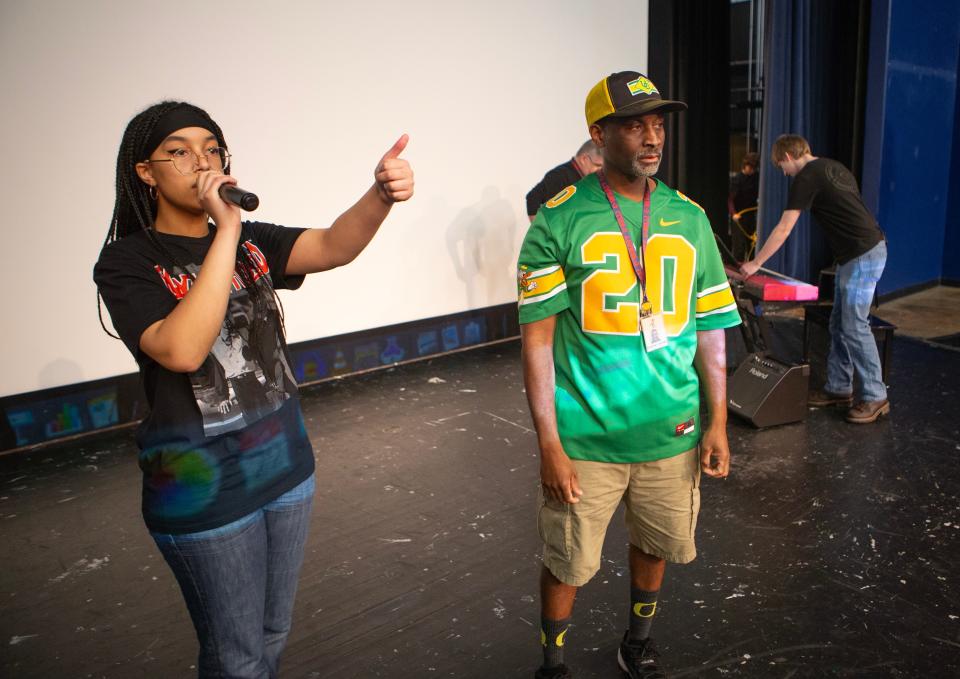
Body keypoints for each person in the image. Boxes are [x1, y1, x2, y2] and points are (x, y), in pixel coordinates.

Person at [93, 101, 413, 677]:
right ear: (147, 172)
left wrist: (381, 195)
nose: (202, 162)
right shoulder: (128, 263)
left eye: (212, 149)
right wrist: (228, 231)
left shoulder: (249, 240)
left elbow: (335, 245)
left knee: (272, 633)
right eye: (181, 152)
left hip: (286, 469)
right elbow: (183, 349)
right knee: (235, 658)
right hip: (204, 491)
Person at [517, 71, 741, 679]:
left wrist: (718, 420)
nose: (652, 138)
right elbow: (535, 341)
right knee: (566, 561)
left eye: (658, 124)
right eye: (635, 124)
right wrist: (549, 444)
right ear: (599, 132)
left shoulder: (689, 218)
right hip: (586, 438)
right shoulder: (558, 220)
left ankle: (637, 642)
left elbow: (712, 329)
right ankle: (552, 662)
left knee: (656, 544)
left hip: (672, 431)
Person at [740, 134, 889, 424]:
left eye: (780, 166)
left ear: (787, 157)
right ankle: (839, 388)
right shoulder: (832, 167)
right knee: (839, 323)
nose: (783, 172)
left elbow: (784, 229)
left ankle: (875, 395)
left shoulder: (806, 177)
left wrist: (756, 263)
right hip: (857, 255)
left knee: (855, 326)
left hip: (863, 255)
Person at [526, 140, 603, 221]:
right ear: (584, 159)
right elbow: (532, 198)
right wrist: (540, 231)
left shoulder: (585, 178)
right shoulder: (559, 175)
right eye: (598, 165)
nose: (601, 170)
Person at [728, 151, 760, 262]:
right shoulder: (737, 179)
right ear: (745, 166)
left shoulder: (757, 178)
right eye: (749, 167)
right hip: (739, 217)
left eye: (753, 168)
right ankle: (737, 275)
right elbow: (730, 199)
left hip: (752, 216)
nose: (751, 170)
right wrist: (733, 214)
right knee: (739, 248)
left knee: (752, 245)